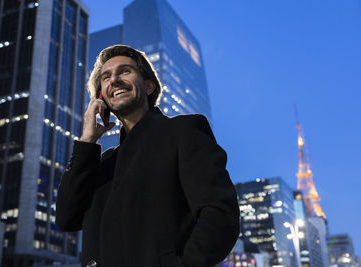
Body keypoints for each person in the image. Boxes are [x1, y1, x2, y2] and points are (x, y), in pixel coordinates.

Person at [55, 45, 240, 267]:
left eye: (125, 71)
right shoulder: (103, 163)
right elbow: (66, 218)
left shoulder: (184, 131)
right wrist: (87, 141)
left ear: (149, 85)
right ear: (101, 99)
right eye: (106, 77)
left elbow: (220, 214)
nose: (114, 79)